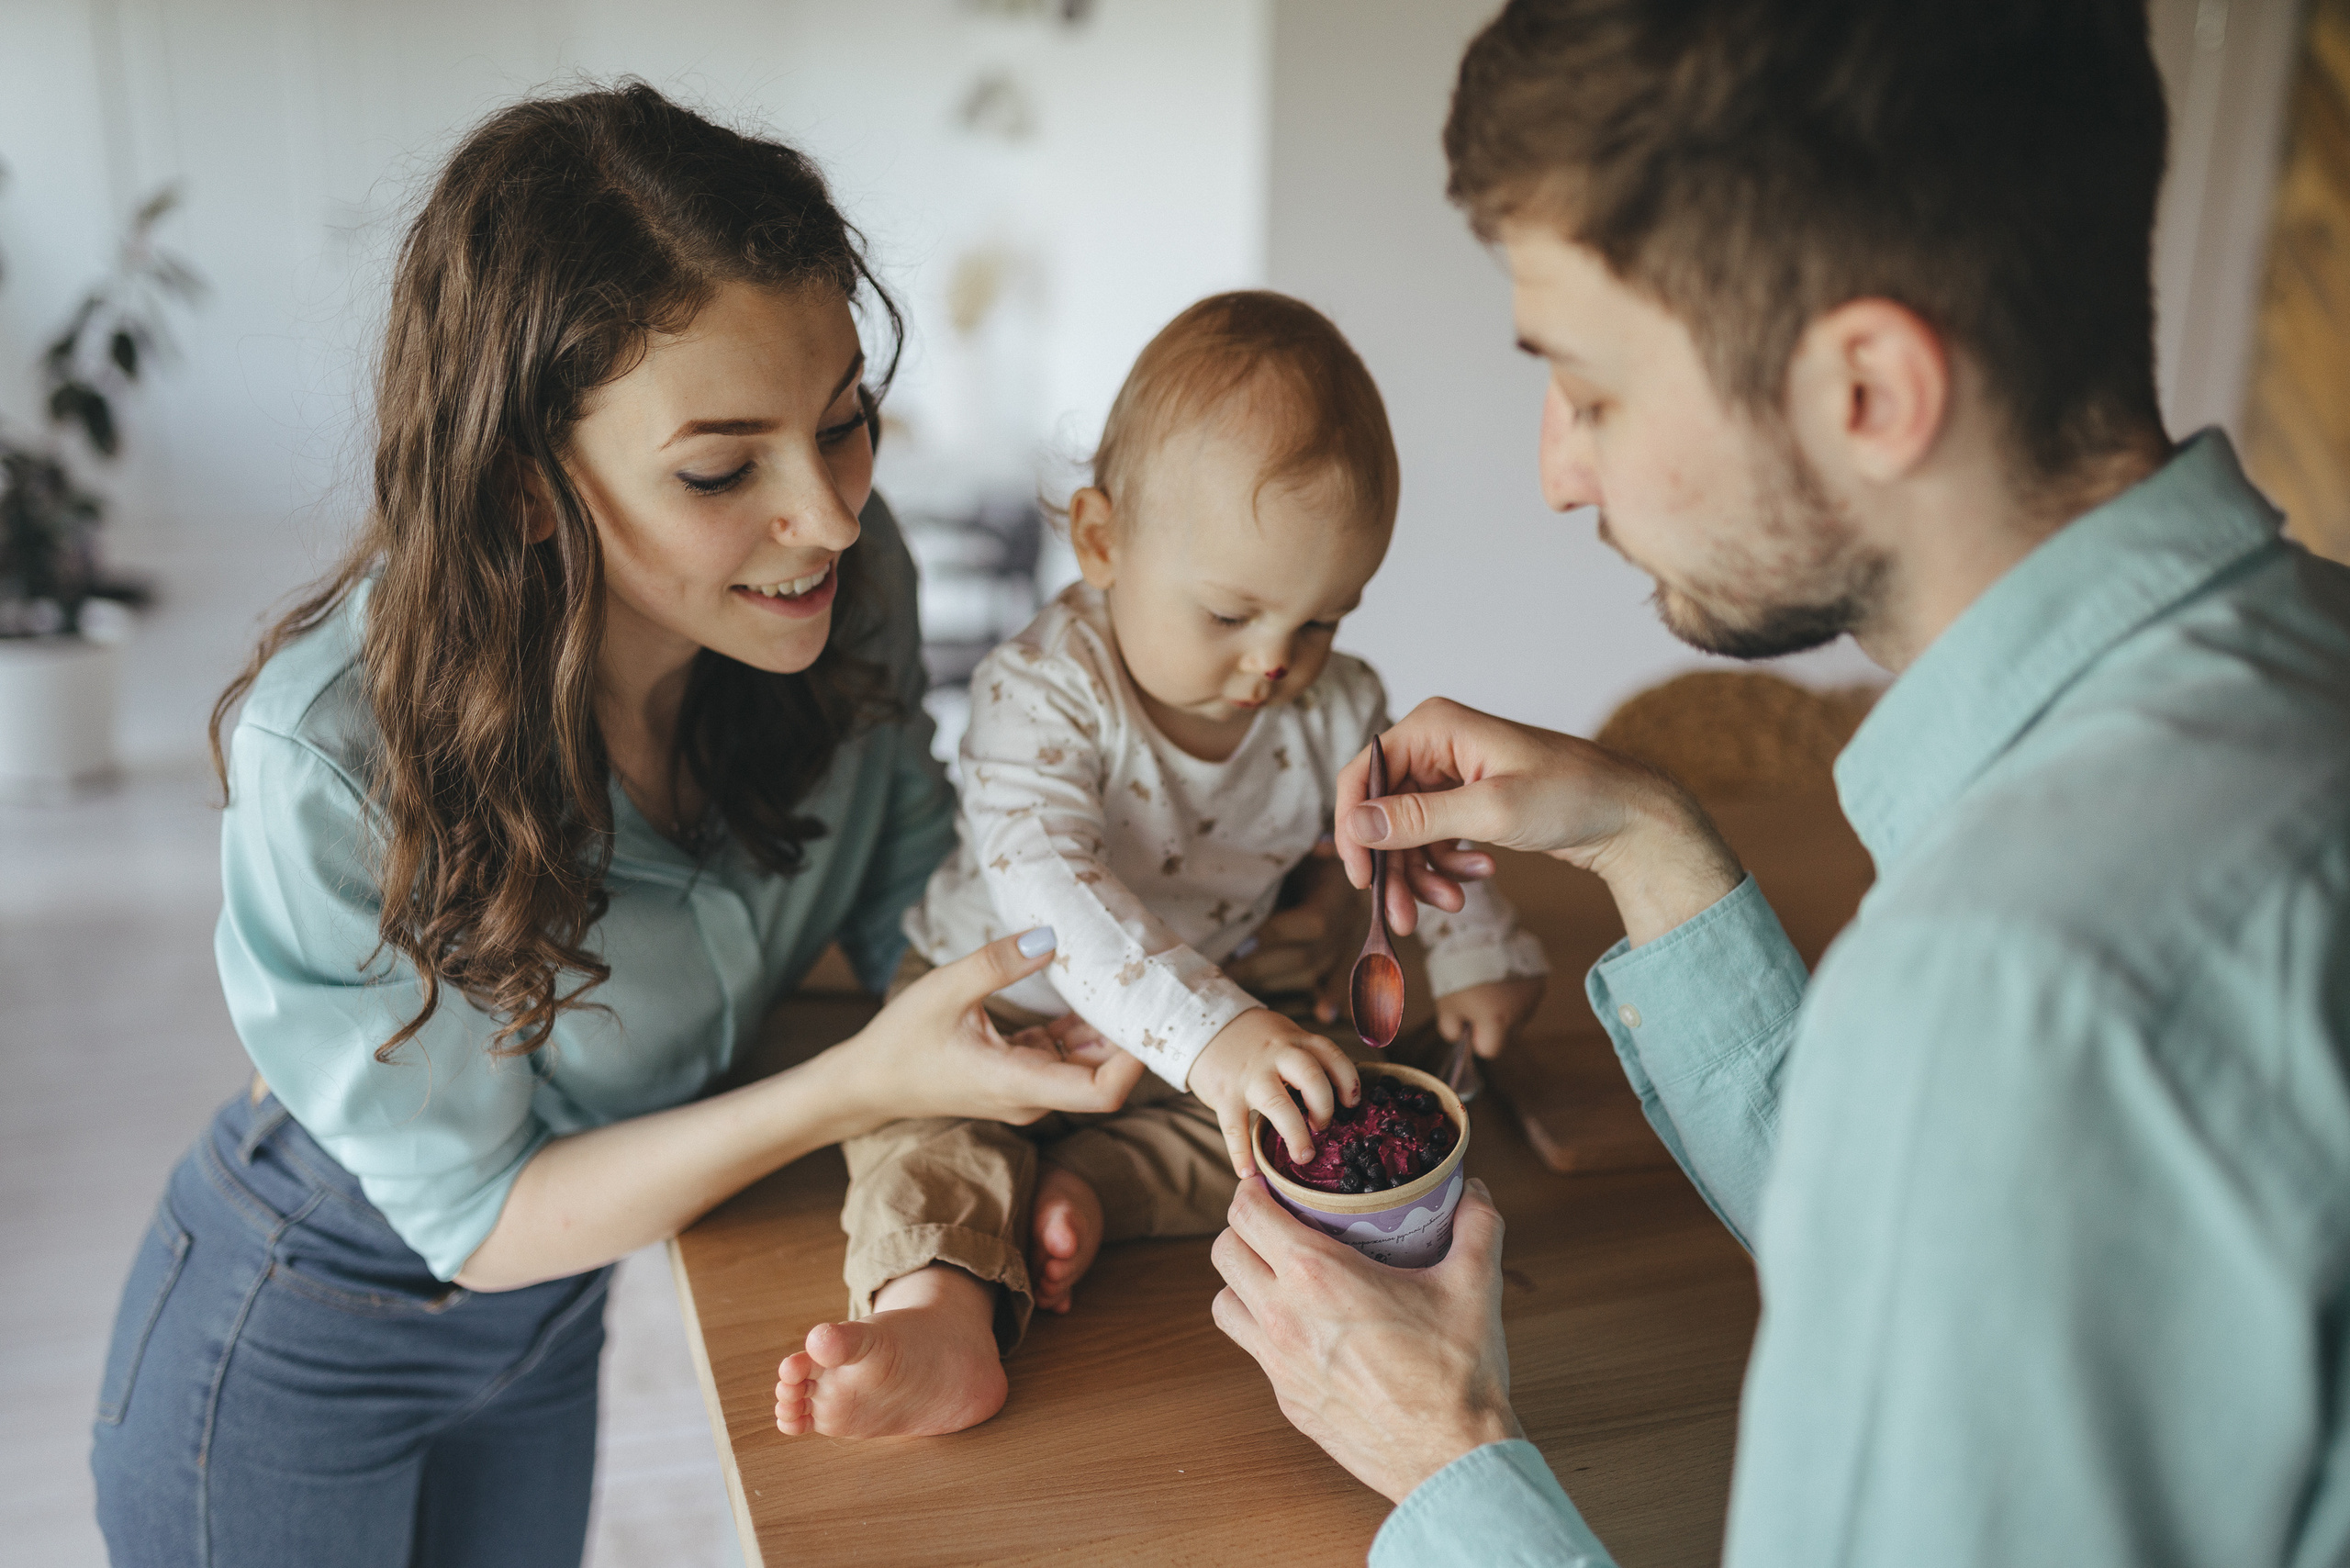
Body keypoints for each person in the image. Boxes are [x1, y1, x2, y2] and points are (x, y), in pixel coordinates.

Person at [1209, 3, 2350, 1564]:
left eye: (1592, 387)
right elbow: (1959, 1249)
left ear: (1867, 389)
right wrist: (1643, 834)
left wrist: (1444, 1458)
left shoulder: (2011, 988)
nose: (1559, 466)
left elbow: (1987, 1102)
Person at [84, 84, 1175, 1568]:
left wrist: (1188, 923)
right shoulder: (332, 751)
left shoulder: (840, 588)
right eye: (725, 469)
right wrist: (857, 1083)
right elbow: (475, 1210)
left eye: (847, 421)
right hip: (303, 1316)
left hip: (557, 1320)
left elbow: (928, 894)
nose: (835, 515)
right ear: (529, 487)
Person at [774, 291, 1548, 1439]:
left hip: (1217, 1022)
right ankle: (938, 1312)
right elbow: (1051, 894)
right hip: (1001, 1023)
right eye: (1232, 611)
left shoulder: (1341, 707)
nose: (1276, 662)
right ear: (1100, 541)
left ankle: (1097, 1188)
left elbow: (1413, 834)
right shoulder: (1040, 691)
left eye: (1323, 619)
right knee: (920, 1143)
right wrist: (1215, 1038)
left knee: (1300, 1107)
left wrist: (1478, 950)